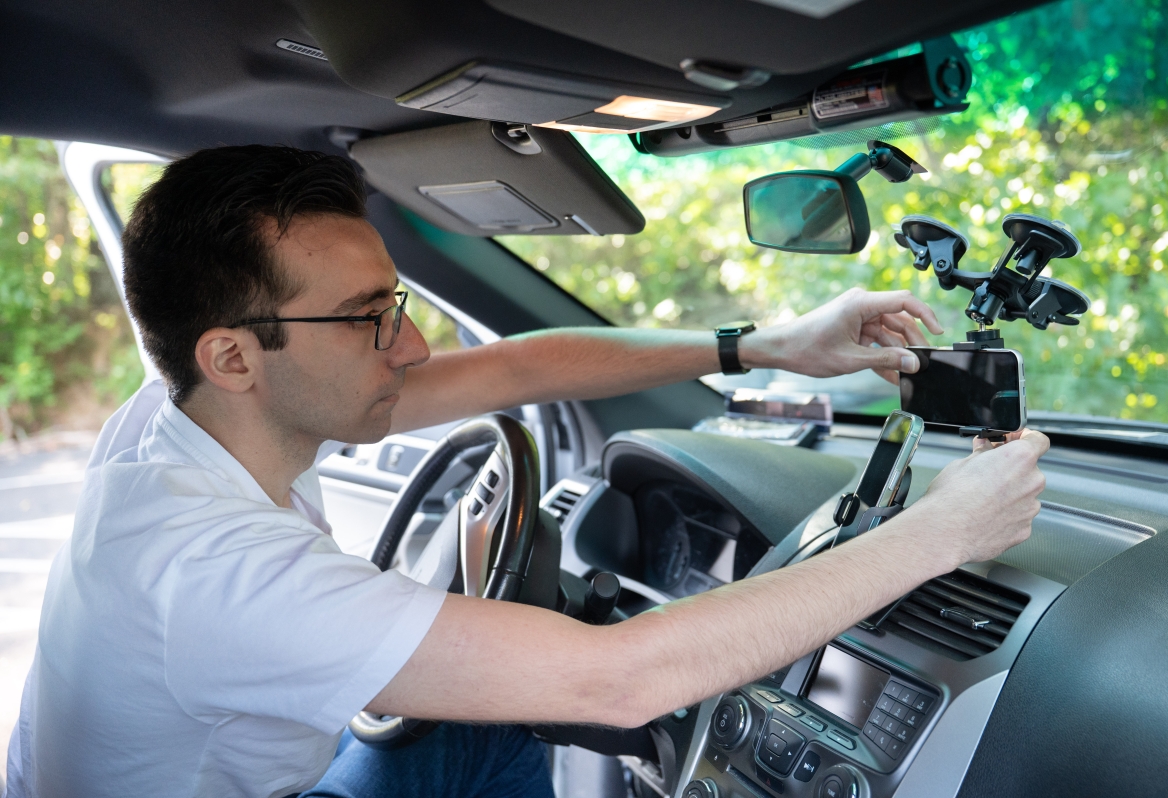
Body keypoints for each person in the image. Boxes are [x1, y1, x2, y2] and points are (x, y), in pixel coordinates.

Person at [3, 146, 1048, 798]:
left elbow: (515, 364)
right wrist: (944, 532)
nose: (408, 351)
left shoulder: (187, 413)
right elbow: (619, 678)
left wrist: (767, 344)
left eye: (396, 305)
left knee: (492, 715)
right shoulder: (213, 571)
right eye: (370, 322)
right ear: (232, 354)